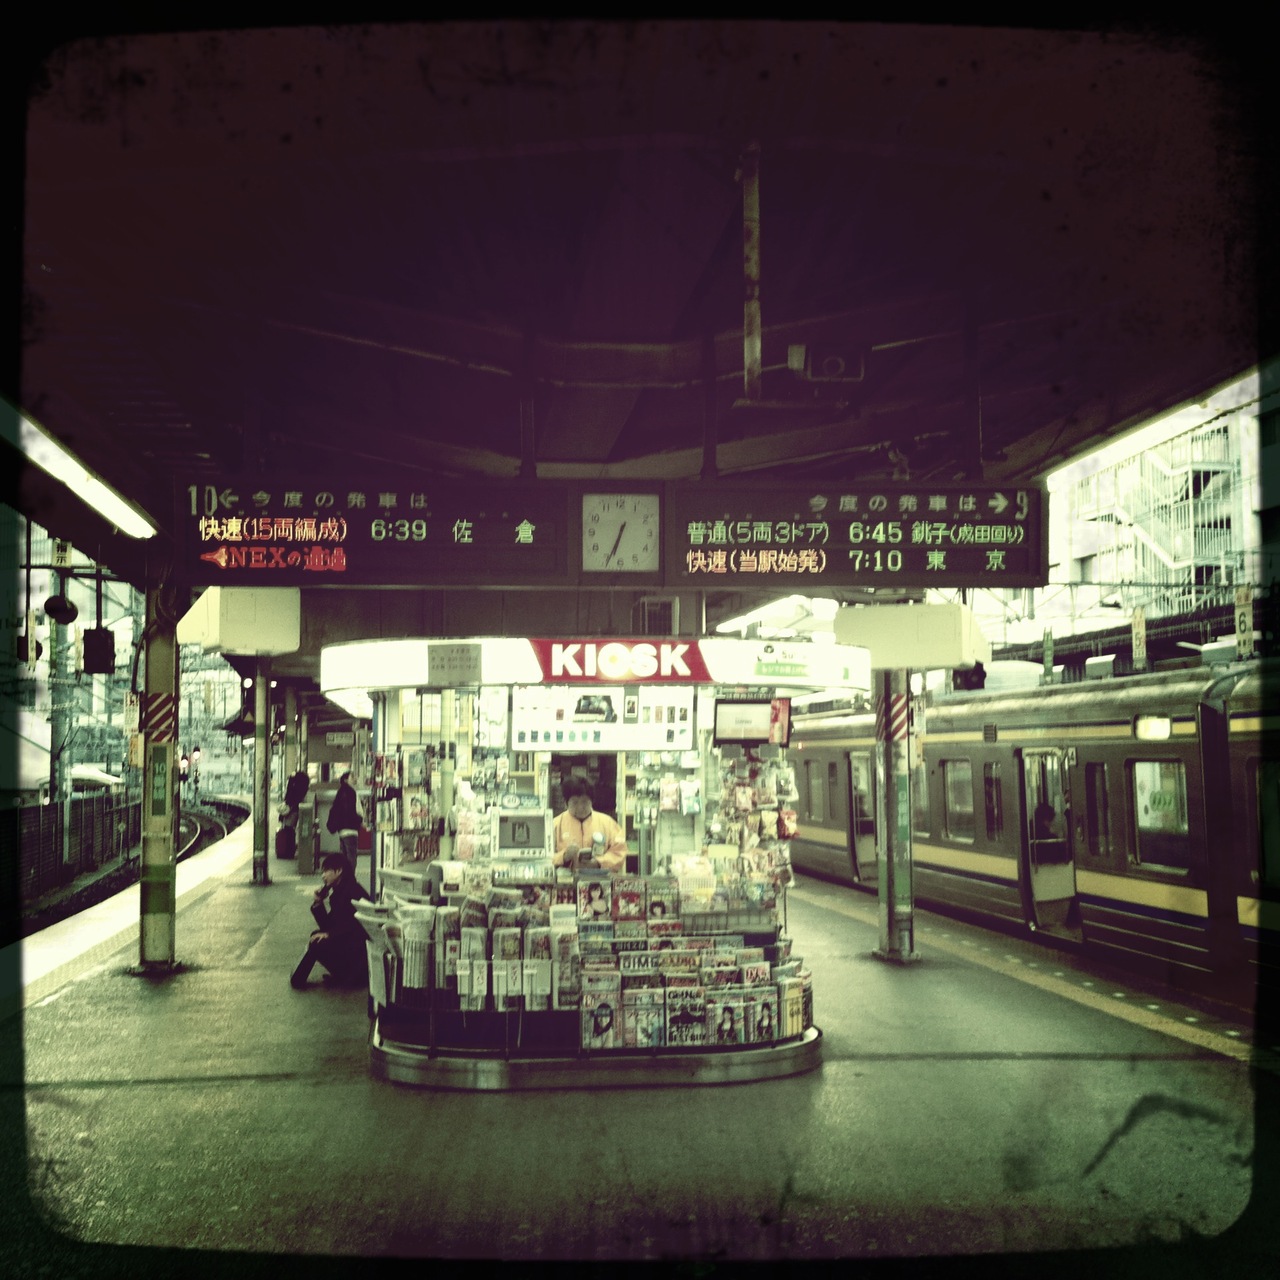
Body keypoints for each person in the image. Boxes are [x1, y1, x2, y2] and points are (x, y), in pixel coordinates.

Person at [291, 853, 371, 989]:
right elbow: (328, 925)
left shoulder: (352, 892)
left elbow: (355, 927)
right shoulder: (340, 892)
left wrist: (329, 935)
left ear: (338, 871)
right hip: (350, 944)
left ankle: (347, 977)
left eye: (326, 871)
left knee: (318, 942)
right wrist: (318, 903)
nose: (323, 876)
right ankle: (341, 975)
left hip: (358, 952)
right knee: (316, 936)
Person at [552, 778, 628, 872]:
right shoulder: (555, 825)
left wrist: (599, 862)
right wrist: (564, 856)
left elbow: (620, 852)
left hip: (600, 879)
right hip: (565, 879)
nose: (580, 807)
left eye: (584, 802)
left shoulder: (608, 823)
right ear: (566, 803)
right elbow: (544, 858)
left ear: (592, 801)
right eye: (575, 802)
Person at [326, 771, 363, 867]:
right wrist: (359, 820)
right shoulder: (350, 792)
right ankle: (349, 876)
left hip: (342, 831)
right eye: (352, 777)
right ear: (346, 780)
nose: (355, 778)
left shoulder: (341, 792)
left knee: (344, 858)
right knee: (351, 857)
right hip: (350, 830)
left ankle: (344, 875)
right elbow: (350, 812)